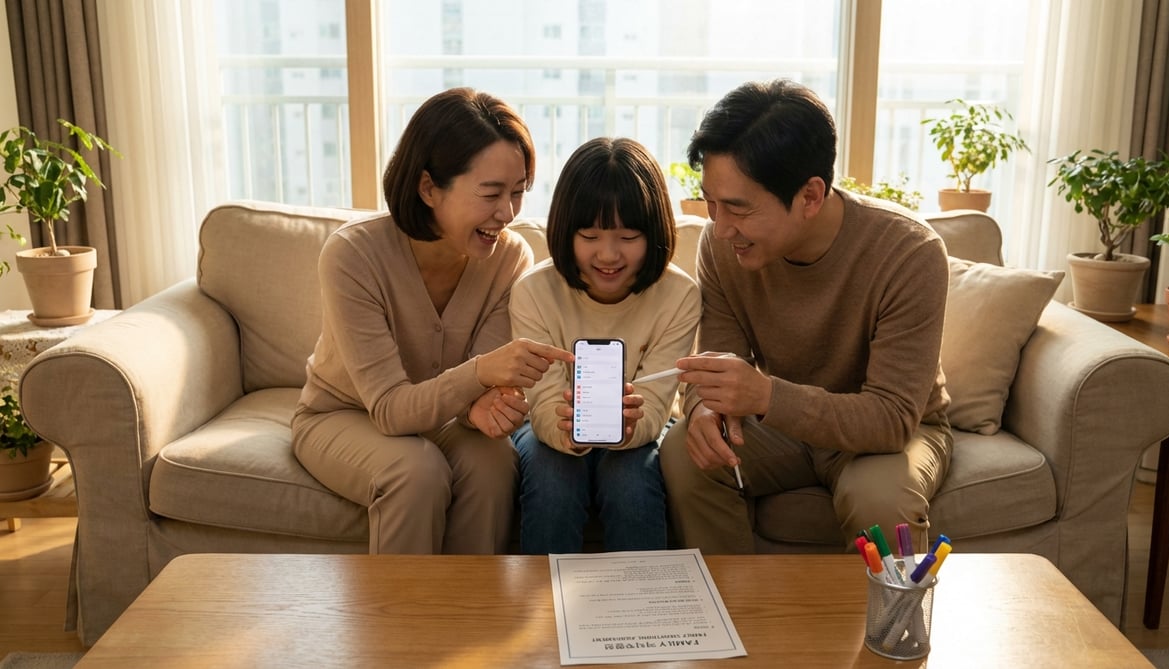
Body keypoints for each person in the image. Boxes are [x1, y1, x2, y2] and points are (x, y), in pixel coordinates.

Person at [660, 79, 953, 554]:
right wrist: (703, 409)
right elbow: (716, 368)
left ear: (810, 196)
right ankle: (733, 616)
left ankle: (890, 630)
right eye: (711, 203)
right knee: (686, 454)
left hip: (887, 432)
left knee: (877, 498)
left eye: (737, 208)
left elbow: (893, 418)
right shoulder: (723, 249)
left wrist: (764, 394)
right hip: (783, 424)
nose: (720, 226)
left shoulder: (908, 252)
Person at [293, 87, 573, 555]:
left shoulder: (509, 259)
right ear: (428, 188)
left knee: (492, 460)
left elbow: (477, 392)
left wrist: (482, 405)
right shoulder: (352, 255)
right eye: (490, 194)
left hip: (441, 416)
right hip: (344, 415)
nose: (507, 214)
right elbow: (389, 408)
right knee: (415, 472)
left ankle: (470, 620)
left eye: (518, 192)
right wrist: (483, 375)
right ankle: (404, 627)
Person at [509, 137, 700, 554]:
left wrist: (629, 428)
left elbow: (655, 401)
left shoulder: (679, 295)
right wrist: (567, 431)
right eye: (590, 235)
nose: (608, 255)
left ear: (654, 232)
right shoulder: (533, 292)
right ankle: (541, 610)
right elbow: (540, 404)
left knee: (630, 478)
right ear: (565, 230)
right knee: (553, 473)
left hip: (642, 429)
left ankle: (638, 610)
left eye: (628, 236)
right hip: (550, 429)